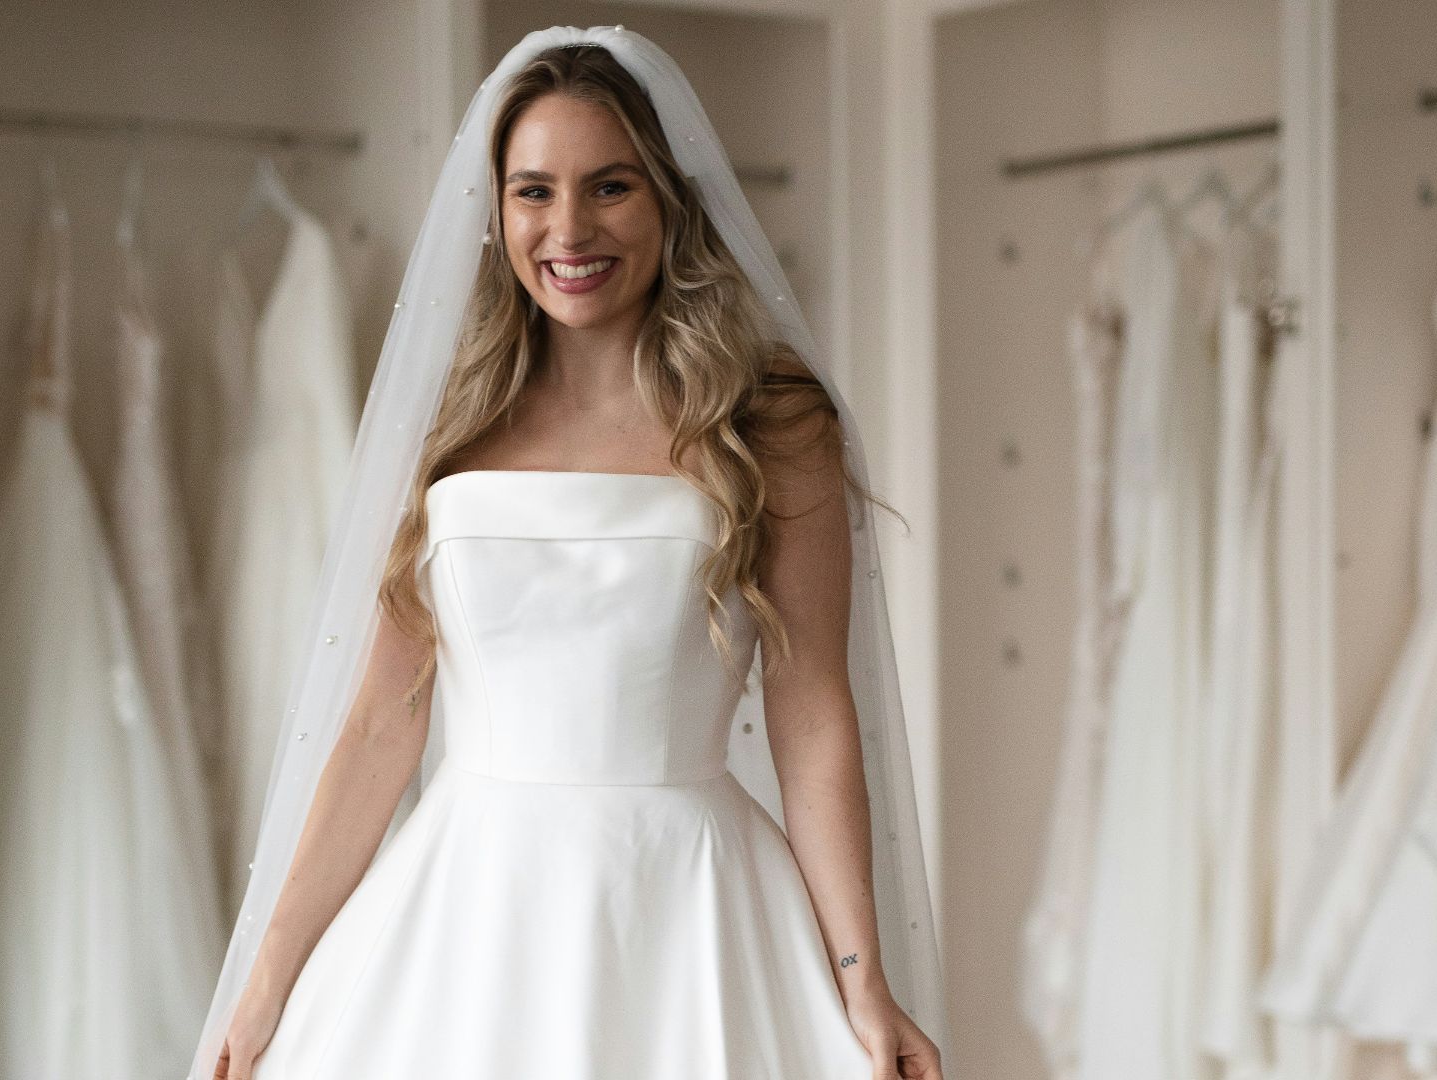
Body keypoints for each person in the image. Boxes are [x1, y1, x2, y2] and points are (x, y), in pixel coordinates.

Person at [194, 25, 950, 1080]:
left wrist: (860, 976)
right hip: (469, 914)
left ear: (670, 201)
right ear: (495, 212)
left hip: (690, 906)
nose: (568, 227)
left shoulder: (770, 422)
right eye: (533, 191)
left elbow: (814, 709)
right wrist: (268, 975)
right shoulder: (450, 428)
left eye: (610, 187)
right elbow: (378, 726)